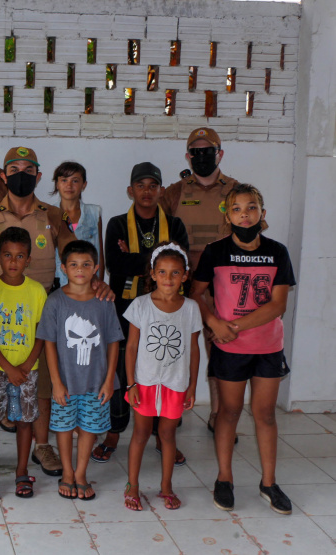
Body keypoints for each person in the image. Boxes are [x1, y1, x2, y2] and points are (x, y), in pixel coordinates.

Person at [0, 146, 110, 479]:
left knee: (41, 385)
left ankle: (42, 445)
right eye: (14, 169)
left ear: (39, 176)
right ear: (3, 177)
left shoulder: (52, 215)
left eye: (28, 170)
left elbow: (73, 253)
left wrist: (95, 282)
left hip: (40, 310)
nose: (21, 175)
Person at [191, 184, 296, 515]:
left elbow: (278, 305)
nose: (244, 214)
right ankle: (224, 478)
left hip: (267, 347)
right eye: (236, 208)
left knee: (265, 414)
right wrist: (213, 321)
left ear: (262, 213)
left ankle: (269, 483)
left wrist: (231, 326)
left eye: (251, 207)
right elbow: (195, 294)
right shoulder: (215, 251)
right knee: (229, 412)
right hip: (229, 349)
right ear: (227, 215)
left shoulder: (277, 252)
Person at [92, 162, 190, 466]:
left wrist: (135, 258)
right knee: (121, 370)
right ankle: (114, 433)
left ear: (161, 190)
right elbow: (116, 265)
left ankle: (163, 435)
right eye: (140, 185)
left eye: (153, 185)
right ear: (130, 190)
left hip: (166, 309)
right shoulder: (117, 224)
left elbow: (180, 264)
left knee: (165, 366)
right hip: (124, 309)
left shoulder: (175, 224)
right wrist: (156, 258)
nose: (147, 191)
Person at [160, 127, 241, 439]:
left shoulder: (236, 191)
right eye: (196, 152)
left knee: (218, 346)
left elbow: (250, 235)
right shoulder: (175, 192)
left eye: (208, 151)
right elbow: (158, 232)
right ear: (188, 156)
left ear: (220, 154)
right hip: (181, 283)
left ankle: (218, 413)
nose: (202, 156)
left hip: (223, 284)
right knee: (172, 344)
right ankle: (170, 408)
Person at [38, 240, 124, 502]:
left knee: (90, 428)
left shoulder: (104, 302)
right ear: (63, 268)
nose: (79, 269)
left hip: (96, 382)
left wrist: (109, 380)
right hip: (66, 381)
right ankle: (67, 472)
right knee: (64, 427)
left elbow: (113, 342)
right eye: (73, 264)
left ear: (96, 268)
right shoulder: (55, 301)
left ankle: (81, 473)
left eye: (86, 264)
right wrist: (56, 382)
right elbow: (49, 343)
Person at [122, 243, 202, 511]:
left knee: (168, 434)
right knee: (141, 433)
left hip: (175, 384)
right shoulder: (141, 305)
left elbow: (194, 349)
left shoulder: (191, 308)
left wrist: (192, 386)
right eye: (163, 272)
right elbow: (131, 347)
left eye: (175, 272)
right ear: (153, 274)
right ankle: (132, 486)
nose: (169, 278)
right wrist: (131, 383)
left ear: (185, 275)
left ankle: (166, 486)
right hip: (144, 383)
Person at [0, 227, 46, 500]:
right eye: (7, 255)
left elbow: (41, 332)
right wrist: (8, 367)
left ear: (28, 259)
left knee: (25, 422)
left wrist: (26, 366)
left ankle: (21, 472)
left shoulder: (37, 291)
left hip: (28, 370)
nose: (13, 261)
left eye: (19, 256)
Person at [50, 161, 104, 285]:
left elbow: (99, 254)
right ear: (57, 184)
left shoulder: (94, 213)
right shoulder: (48, 214)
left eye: (75, 181)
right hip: (58, 283)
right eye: (64, 180)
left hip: (87, 283)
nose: (69, 185)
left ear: (84, 185)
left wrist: (99, 283)